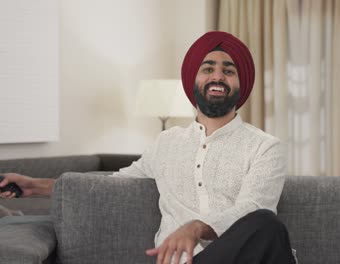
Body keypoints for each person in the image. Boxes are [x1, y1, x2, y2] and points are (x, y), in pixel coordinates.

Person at [0, 31, 296, 264]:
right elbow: (113, 183)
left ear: (241, 84)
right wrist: (36, 186)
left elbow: (254, 208)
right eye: (208, 68)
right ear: (193, 79)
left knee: (266, 226)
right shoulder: (167, 143)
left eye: (228, 71)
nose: (217, 76)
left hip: (245, 258)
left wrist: (195, 228)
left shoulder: (265, 147)